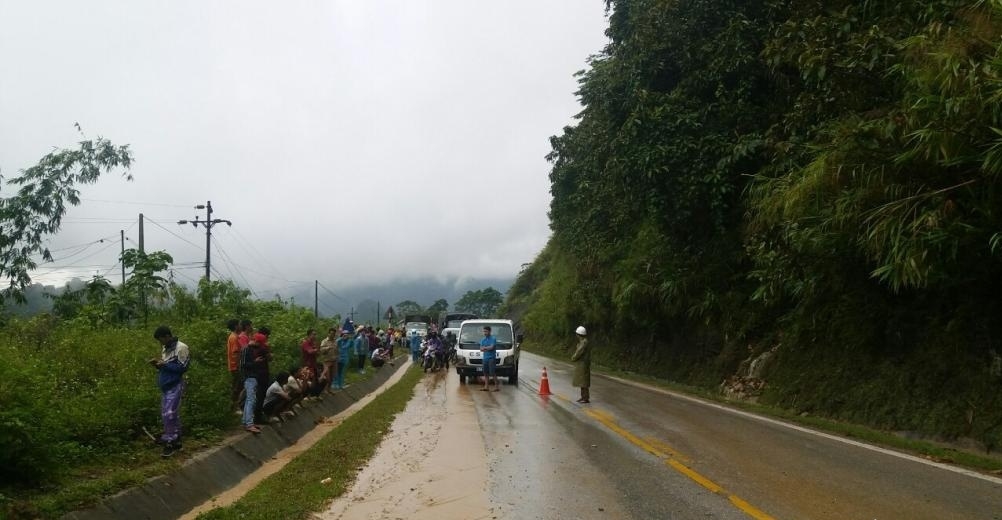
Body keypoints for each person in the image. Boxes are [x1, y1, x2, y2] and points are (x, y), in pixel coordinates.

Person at [150, 325, 190, 457]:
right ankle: (177, 439)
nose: (161, 343)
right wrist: (158, 365)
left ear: (167, 336)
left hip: (175, 385)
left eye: (161, 339)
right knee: (170, 414)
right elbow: (167, 367)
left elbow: (182, 368)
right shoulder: (165, 348)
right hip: (166, 386)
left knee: (169, 414)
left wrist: (165, 364)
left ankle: (169, 442)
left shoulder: (181, 348)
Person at [226, 319, 242, 413]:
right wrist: (239, 365)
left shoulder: (234, 336)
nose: (241, 326)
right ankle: (234, 408)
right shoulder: (234, 338)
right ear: (236, 326)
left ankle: (234, 407)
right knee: (236, 387)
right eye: (239, 324)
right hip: (235, 366)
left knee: (237, 386)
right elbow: (235, 353)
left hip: (235, 366)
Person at [571, 325, 591, 403]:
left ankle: (585, 398)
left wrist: (573, 357)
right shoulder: (583, 342)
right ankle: (583, 397)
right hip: (582, 364)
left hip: (583, 364)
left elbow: (579, 352)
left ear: (579, 334)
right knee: (582, 381)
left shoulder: (584, 342)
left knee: (583, 381)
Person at [300, 328, 321, 395]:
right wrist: (316, 349)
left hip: (313, 364)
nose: (315, 336)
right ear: (309, 335)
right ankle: (307, 396)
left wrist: (316, 350)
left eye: (315, 334)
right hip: (307, 365)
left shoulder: (313, 344)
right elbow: (310, 351)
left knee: (315, 380)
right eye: (313, 334)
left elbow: (317, 354)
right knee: (309, 381)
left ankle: (313, 395)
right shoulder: (305, 343)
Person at [319, 327, 339, 392]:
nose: (332, 335)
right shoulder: (324, 341)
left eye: (334, 334)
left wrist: (337, 357)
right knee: (327, 377)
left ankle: (329, 389)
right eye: (331, 333)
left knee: (332, 376)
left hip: (334, 361)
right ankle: (324, 390)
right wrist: (327, 348)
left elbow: (337, 351)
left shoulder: (335, 341)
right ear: (328, 333)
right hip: (326, 361)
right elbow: (321, 350)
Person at [479, 325, 498, 391]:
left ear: (490, 331)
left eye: (486, 331)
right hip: (485, 359)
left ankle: (496, 387)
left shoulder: (493, 339)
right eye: (484, 331)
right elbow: (481, 349)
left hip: (491, 358)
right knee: (485, 373)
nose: (485, 333)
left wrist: (485, 348)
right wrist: (487, 348)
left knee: (492, 373)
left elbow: (492, 347)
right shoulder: (483, 340)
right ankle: (486, 387)